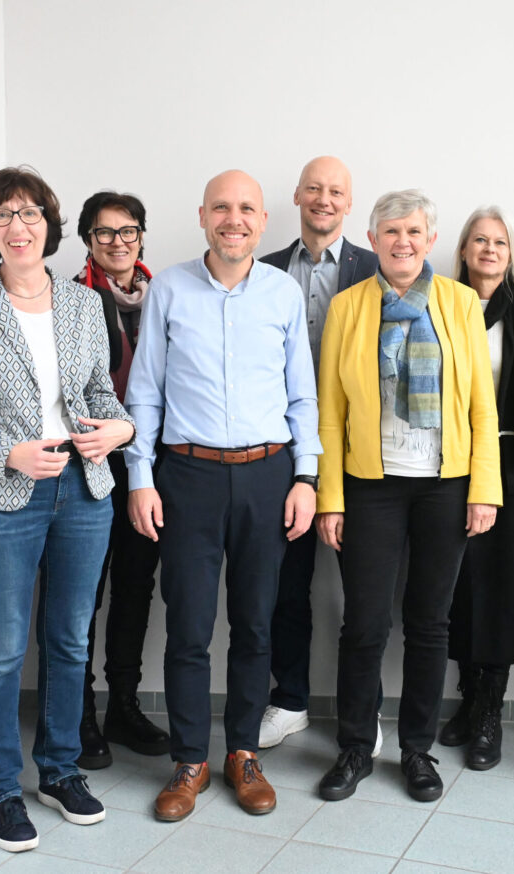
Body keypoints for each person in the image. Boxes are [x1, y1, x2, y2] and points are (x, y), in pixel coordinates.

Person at [0, 166, 135, 852]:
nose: (17, 228)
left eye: (29, 215)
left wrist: (121, 430)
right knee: (0, 650)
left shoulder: (83, 304)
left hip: (84, 492)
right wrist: (10, 454)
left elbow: (98, 396)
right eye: (2, 217)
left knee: (71, 641)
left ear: (49, 224)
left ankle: (59, 769)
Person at [126, 170, 321, 822]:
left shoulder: (282, 292)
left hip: (268, 477)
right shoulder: (170, 290)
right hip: (187, 476)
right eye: (221, 208)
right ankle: (190, 760)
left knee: (256, 621)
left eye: (245, 209)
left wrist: (305, 477)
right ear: (203, 216)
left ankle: (241, 753)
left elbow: (302, 394)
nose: (233, 219)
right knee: (186, 627)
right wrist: (141, 478)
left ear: (263, 220)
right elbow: (145, 391)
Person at [314, 189, 501, 804]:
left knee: (429, 623)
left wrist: (484, 489)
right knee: (364, 623)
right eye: (391, 232)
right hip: (370, 486)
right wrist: (330, 499)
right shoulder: (347, 307)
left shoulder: (460, 302)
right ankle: (354, 748)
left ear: (429, 240)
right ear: (373, 241)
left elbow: (480, 404)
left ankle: (416, 750)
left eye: (414, 232)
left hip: (445, 486)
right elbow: (330, 409)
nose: (403, 242)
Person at [256, 157, 380, 752]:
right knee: (288, 582)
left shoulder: (379, 269)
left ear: (349, 202)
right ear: (297, 196)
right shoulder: (263, 269)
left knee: (367, 589)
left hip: (362, 453)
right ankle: (291, 700)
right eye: (314, 189)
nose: (323, 199)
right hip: (283, 451)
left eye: (335, 191)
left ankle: (364, 709)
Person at [438, 206, 514, 771]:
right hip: (448, 467)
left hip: (512, 467)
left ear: (510, 255)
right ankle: (466, 699)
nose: (489, 250)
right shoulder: (437, 306)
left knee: (504, 588)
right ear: (463, 250)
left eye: (500, 243)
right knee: (455, 585)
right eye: (479, 241)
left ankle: (491, 708)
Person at [71, 191, 171, 769]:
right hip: (92, 461)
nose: (117, 243)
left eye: (128, 231)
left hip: (151, 462)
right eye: (104, 233)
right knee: (83, 591)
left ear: (141, 237)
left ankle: (124, 706)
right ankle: (79, 711)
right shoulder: (70, 300)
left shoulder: (164, 295)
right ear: (87, 239)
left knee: (137, 585)